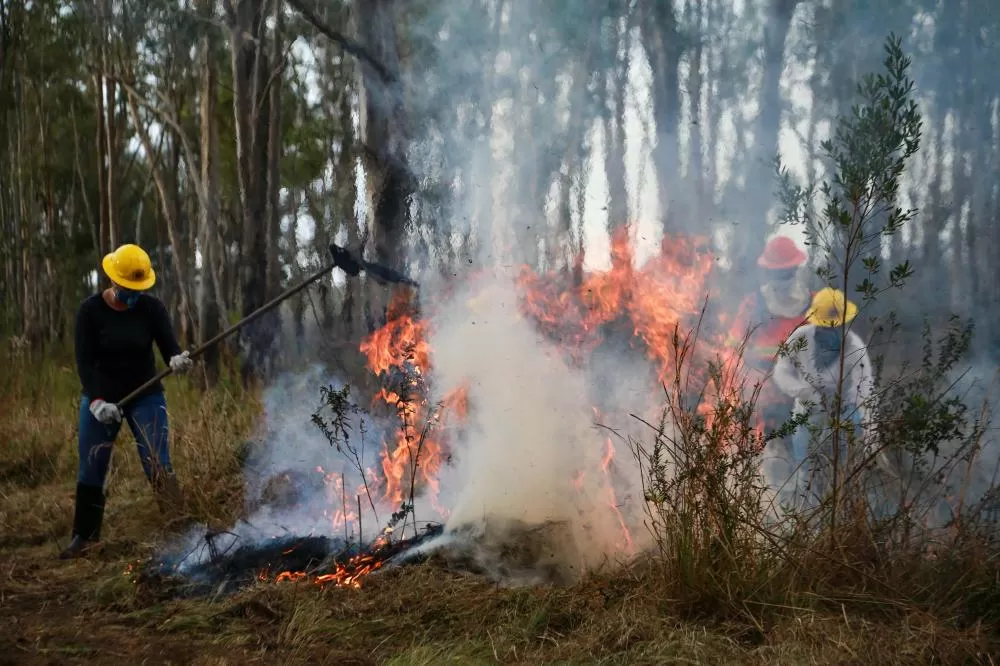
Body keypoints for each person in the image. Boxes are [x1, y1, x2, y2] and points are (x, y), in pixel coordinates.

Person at [61, 243, 194, 559]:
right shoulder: (90, 312)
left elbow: (170, 347)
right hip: (102, 396)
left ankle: (181, 530)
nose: (133, 295)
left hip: (145, 395)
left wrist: (177, 360)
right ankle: (85, 537)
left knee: (157, 462)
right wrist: (96, 402)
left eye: (138, 289)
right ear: (113, 280)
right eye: (127, 288)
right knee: (93, 465)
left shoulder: (152, 309)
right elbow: (84, 362)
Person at [771, 287, 875, 508]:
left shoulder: (855, 348)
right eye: (824, 325)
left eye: (834, 325)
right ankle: (806, 514)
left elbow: (865, 389)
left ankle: (843, 508)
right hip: (807, 412)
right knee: (805, 467)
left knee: (846, 469)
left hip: (844, 411)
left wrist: (870, 434)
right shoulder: (800, 338)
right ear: (815, 321)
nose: (829, 330)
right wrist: (802, 390)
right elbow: (781, 371)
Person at [739, 235, 812, 441]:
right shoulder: (752, 305)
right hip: (761, 394)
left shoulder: (815, 303)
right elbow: (733, 349)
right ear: (768, 272)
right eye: (778, 271)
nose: (782, 276)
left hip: (801, 393)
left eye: (786, 271)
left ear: (796, 269)